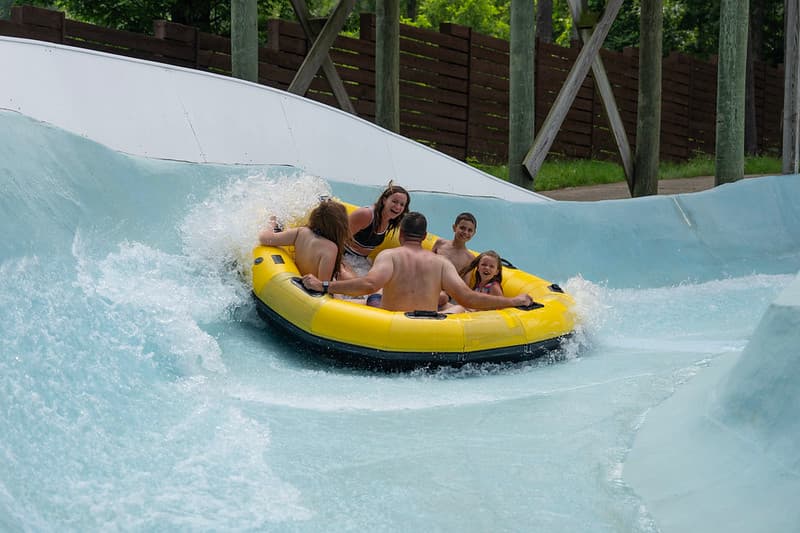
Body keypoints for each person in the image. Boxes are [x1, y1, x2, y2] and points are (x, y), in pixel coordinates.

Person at [301, 212, 532, 313]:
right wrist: (514, 301)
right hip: (426, 320)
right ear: (424, 238)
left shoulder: (390, 256)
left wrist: (322, 286)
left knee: (373, 294)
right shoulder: (440, 263)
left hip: (389, 316)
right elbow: (467, 297)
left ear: (401, 234)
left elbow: (369, 284)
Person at [258, 199, 350, 282]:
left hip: (298, 280)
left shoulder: (301, 232)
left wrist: (273, 221)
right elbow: (323, 285)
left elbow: (265, 238)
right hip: (311, 290)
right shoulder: (330, 248)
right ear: (340, 227)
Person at [343, 182, 410, 276]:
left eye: (402, 204)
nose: (398, 207)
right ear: (384, 200)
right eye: (394, 202)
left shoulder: (391, 220)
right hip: (343, 256)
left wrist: (438, 242)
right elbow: (338, 238)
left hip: (360, 260)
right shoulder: (366, 215)